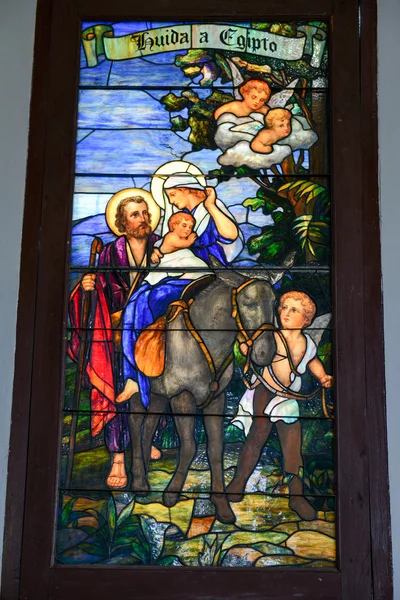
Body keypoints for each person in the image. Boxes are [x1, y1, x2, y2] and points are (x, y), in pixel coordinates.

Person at [118, 173, 241, 409]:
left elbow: (231, 235)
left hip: (208, 282)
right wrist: (158, 253)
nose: (171, 201)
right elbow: (166, 246)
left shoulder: (207, 212)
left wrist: (212, 205)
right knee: (141, 305)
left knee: (142, 302)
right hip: (183, 278)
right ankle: (145, 372)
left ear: (187, 189)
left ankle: (136, 373)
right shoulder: (178, 220)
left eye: (173, 195)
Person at [68, 191, 163, 490]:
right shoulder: (109, 254)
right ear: (121, 223)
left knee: (156, 388)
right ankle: (118, 456)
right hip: (119, 335)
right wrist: (87, 287)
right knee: (117, 390)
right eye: (135, 215)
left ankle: (147, 442)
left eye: (145, 212)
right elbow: (96, 295)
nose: (143, 219)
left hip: (154, 334)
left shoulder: (163, 246)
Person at [229, 291, 333, 521]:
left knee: (292, 449)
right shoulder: (271, 336)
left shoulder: (307, 343)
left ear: (307, 319)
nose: (286, 313)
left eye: (293, 310)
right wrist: (248, 349)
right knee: (256, 438)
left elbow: (313, 361)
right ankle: (238, 483)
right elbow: (257, 352)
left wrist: (323, 376)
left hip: (287, 398)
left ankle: (296, 497)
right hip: (264, 392)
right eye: (284, 307)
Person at [145, 212, 210, 286]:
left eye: (190, 227)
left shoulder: (180, 237)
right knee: (189, 262)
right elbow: (184, 244)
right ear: (174, 225)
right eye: (184, 225)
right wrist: (190, 240)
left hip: (176, 259)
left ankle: (196, 277)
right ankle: (185, 280)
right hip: (166, 260)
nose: (188, 229)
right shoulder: (171, 236)